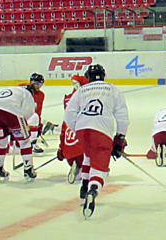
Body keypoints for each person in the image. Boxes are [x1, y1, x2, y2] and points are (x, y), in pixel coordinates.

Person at [64, 64, 129, 219]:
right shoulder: (112, 89)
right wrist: (120, 138)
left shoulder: (81, 90)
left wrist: (77, 131)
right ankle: (93, 190)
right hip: (102, 131)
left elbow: (69, 114)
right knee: (100, 169)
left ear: (88, 77)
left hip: (82, 129)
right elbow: (122, 115)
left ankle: (84, 186)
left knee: (88, 154)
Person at [0, 85, 37, 183]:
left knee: (0, 142)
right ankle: (28, 169)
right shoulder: (27, 93)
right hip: (11, 112)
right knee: (25, 142)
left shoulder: (6, 89)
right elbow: (28, 112)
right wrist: (16, 129)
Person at [57, 75, 89, 184]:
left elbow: (62, 133)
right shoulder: (87, 97)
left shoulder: (68, 98)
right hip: (82, 145)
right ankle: (82, 169)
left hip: (68, 151)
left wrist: (61, 149)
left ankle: (74, 164)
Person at [22, 73, 46, 156]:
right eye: (36, 84)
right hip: (18, 117)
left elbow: (38, 111)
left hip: (28, 119)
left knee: (35, 117)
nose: (38, 86)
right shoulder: (23, 89)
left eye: (40, 84)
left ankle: (33, 144)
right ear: (31, 82)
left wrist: (38, 125)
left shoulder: (41, 95)